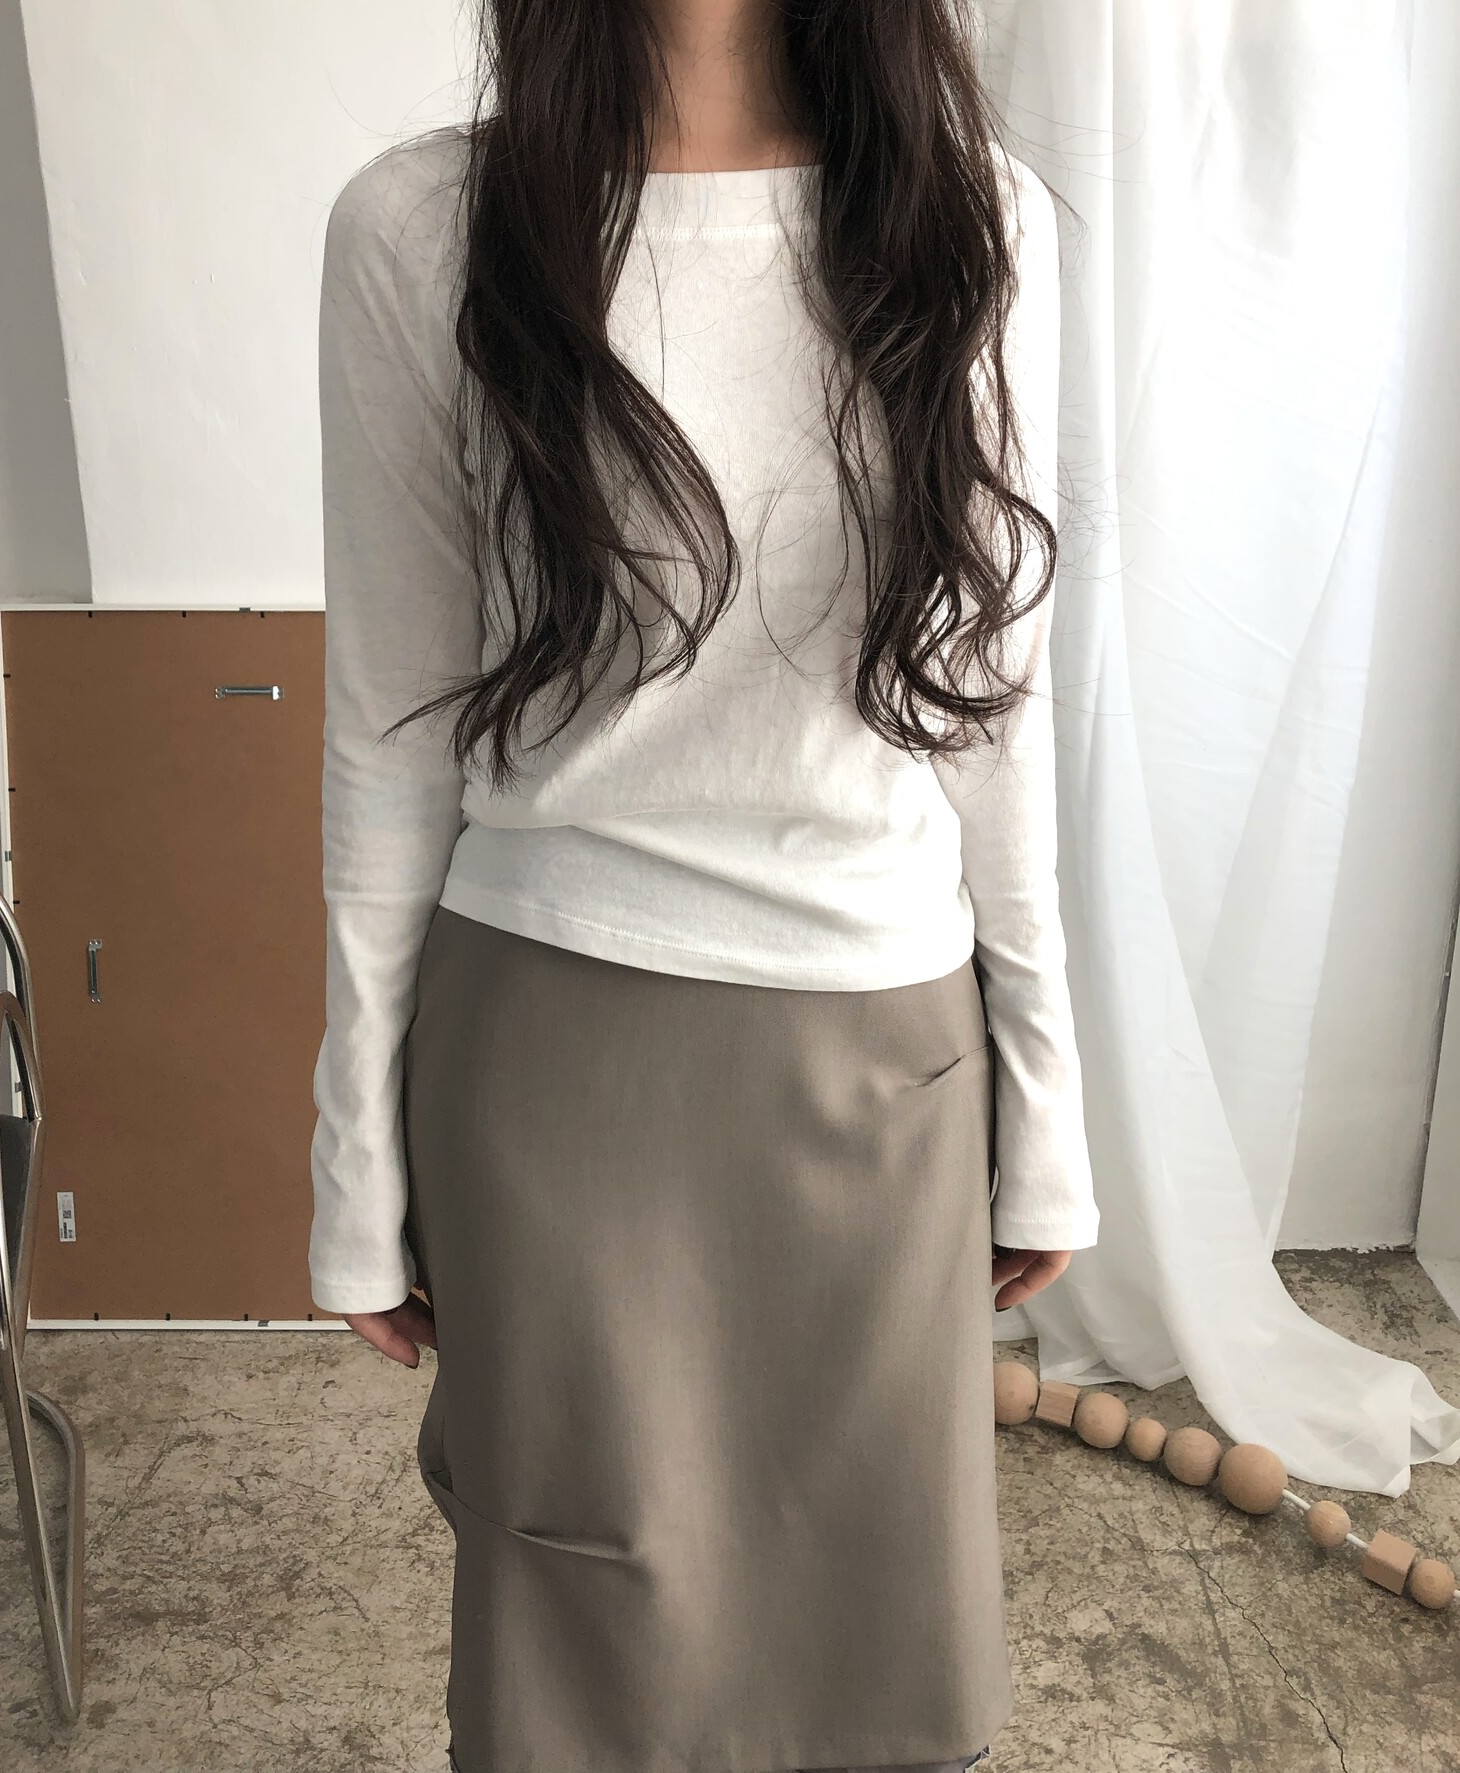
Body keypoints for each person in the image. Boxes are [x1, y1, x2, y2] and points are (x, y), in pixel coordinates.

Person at [307, 0, 1099, 1766]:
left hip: (881, 1066)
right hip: (553, 1074)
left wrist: (1046, 1097)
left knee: (884, 1660)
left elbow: (996, 708)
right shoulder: (421, 231)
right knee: (579, 1672)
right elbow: (387, 735)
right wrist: (354, 1150)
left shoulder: (973, 213)